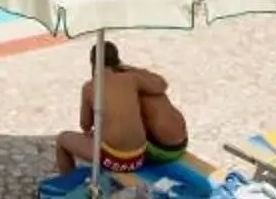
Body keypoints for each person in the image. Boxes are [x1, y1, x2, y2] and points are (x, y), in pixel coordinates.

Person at [56, 40, 186, 177]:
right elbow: (161, 85)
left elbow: (85, 125)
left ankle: (67, 183)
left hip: (114, 160)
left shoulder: (89, 87)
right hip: (139, 157)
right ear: (117, 60)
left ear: (93, 63)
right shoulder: (131, 79)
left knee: (62, 140)